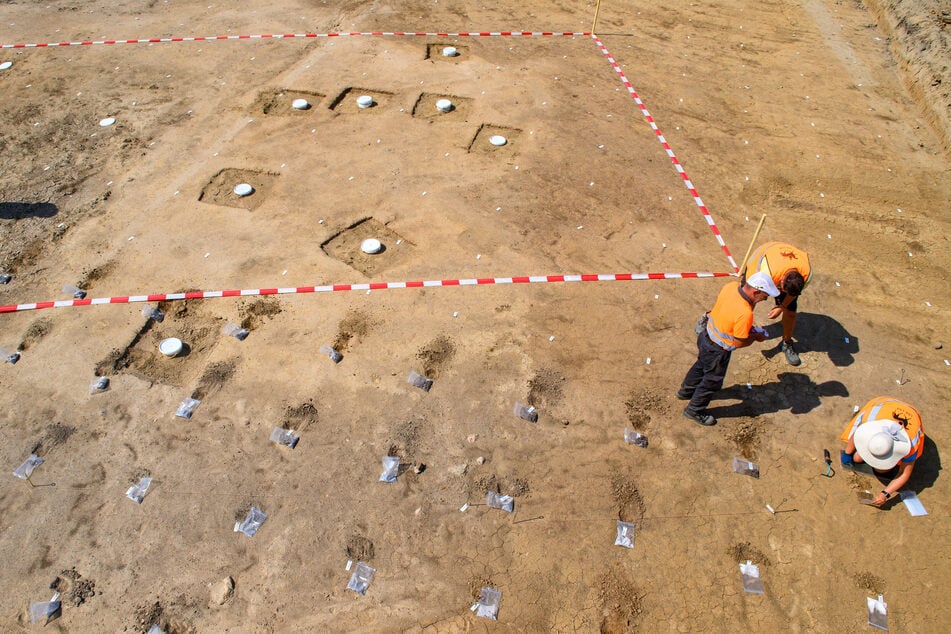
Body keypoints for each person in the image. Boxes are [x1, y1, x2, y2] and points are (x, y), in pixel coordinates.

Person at [677, 272, 779, 426]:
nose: (765, 299)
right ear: (755, 291)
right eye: (764, 296)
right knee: (711, 381)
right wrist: (755, 337)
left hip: (706, 336)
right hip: (718, 351)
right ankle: (694, 410)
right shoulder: (745, 313)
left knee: (700, 366)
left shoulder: (731, 286)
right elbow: (738, 343)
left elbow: (728, 313)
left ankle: (685, 391)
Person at [840, 396, 924, 507]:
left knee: (881, 470)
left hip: (912, 412)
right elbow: (857, 432)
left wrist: (885, 493)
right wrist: (847, 453)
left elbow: (904, 473)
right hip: (884, 404)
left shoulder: (910, 446)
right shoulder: (870, 420)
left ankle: (881, 467)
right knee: (856, 458)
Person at [744, 242, 811, 366]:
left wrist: (782, 306)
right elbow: (751, 292)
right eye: (780, 289)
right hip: (764, 257)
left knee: (790, 312)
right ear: (780, 281)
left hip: (783, 268)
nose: (779, 293)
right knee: (748, 300)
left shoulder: (806, 274)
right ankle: (739, 326)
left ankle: (786, 342)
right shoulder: (765, 272)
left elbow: (793, 294)